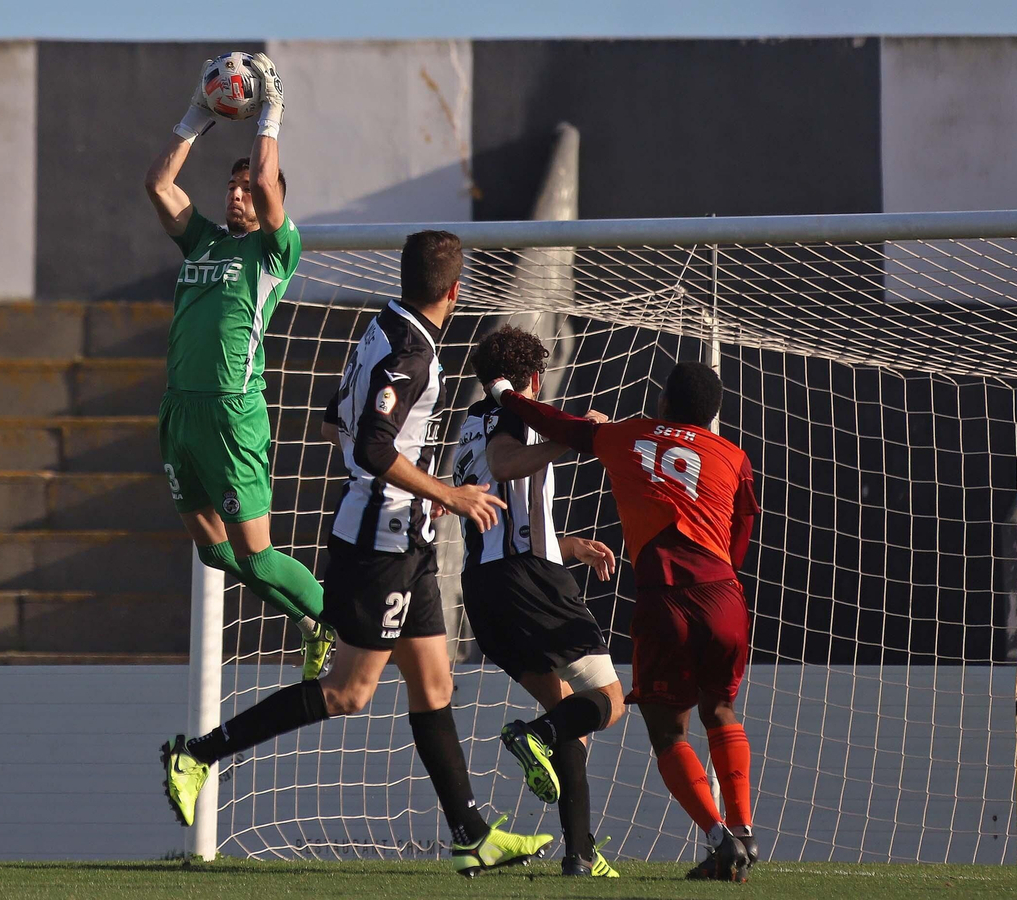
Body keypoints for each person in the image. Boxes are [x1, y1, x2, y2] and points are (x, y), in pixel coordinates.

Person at [161, 231, 553, 877]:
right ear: (454, 291)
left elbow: (333, 420)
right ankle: (198, 755)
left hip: (406, 537)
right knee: (348, 692)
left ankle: (472, 835)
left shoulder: (384, 327)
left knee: (434, 682)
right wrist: (446, 494)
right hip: (381, 543)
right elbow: (371, 445)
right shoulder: (411, 352)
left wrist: (421, 492)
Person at [487, 360, 760, 882]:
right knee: (721, 709)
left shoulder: (630, 437)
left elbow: (559, 425)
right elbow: (744, 528)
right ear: (714, 413)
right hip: (725, 596)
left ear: (662, 404)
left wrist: (504, 393)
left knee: (667, 729)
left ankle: (719, 837)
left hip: (666, 603)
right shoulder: (734, 456)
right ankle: (744, 830)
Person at [144, 51, 333, 679]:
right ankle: (311, 625)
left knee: (255, 554)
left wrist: (271, 113)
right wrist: (196, 117)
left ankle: (344, 623)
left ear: (271, 196)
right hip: (181, 409)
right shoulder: (203, 240)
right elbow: (158, 186)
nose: (236, 191)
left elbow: (263, 182)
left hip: (232, 411)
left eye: (248, 185)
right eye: (230, 183)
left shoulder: (275, 248)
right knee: (215, 553)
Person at [452, 325, 625, 877]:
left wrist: (569, 546)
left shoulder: (469, 422)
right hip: (530, 581)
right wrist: (575, 439)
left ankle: (580, 854)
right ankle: (534, 737)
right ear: (531, 377)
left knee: (564, 708)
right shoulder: (513, 415)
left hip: (484, 587)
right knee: (611, 700)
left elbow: (510, 508)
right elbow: (505, 465)